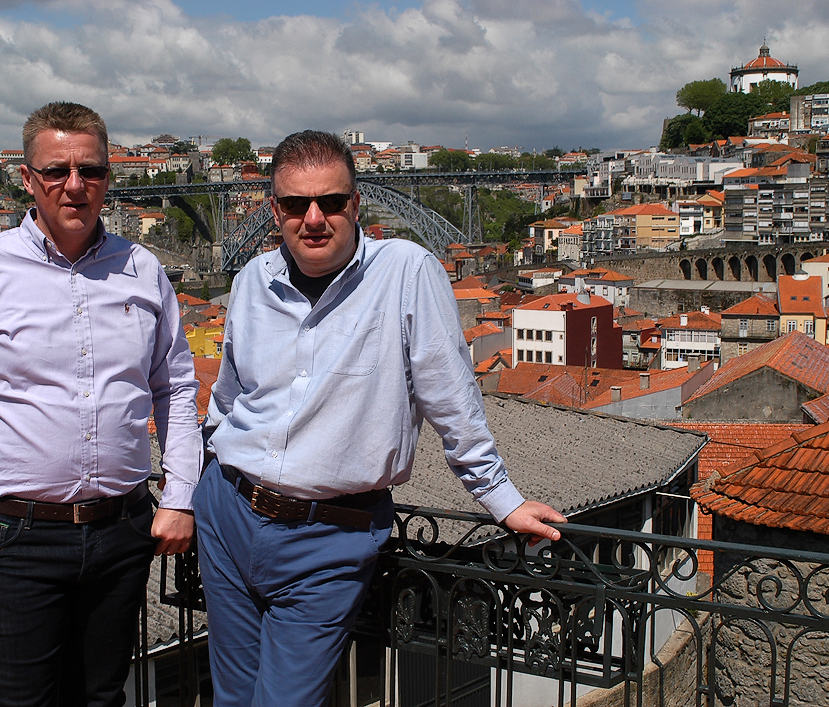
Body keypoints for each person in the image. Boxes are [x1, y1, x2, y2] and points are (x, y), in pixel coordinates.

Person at [196, 129, 565, 707]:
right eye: (295, 204)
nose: (313, 218)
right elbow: (228, 396)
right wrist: (199, 477)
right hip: (226, 512)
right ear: (274, 209)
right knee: (232, 698)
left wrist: (502, 499)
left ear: (356, 203)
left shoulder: (406, 271)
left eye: (330, 201)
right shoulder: (251, 280)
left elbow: (451, 396)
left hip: (328, 537)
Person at [0, 101, 202, 707]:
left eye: (90, 170)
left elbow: (175, 390)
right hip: (15, 538)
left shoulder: (143, 270)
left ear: (108, 177)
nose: (75, 185)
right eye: (57, 170)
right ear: (28, 178)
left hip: (121, 531)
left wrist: (179, 496)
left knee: (102, 697)